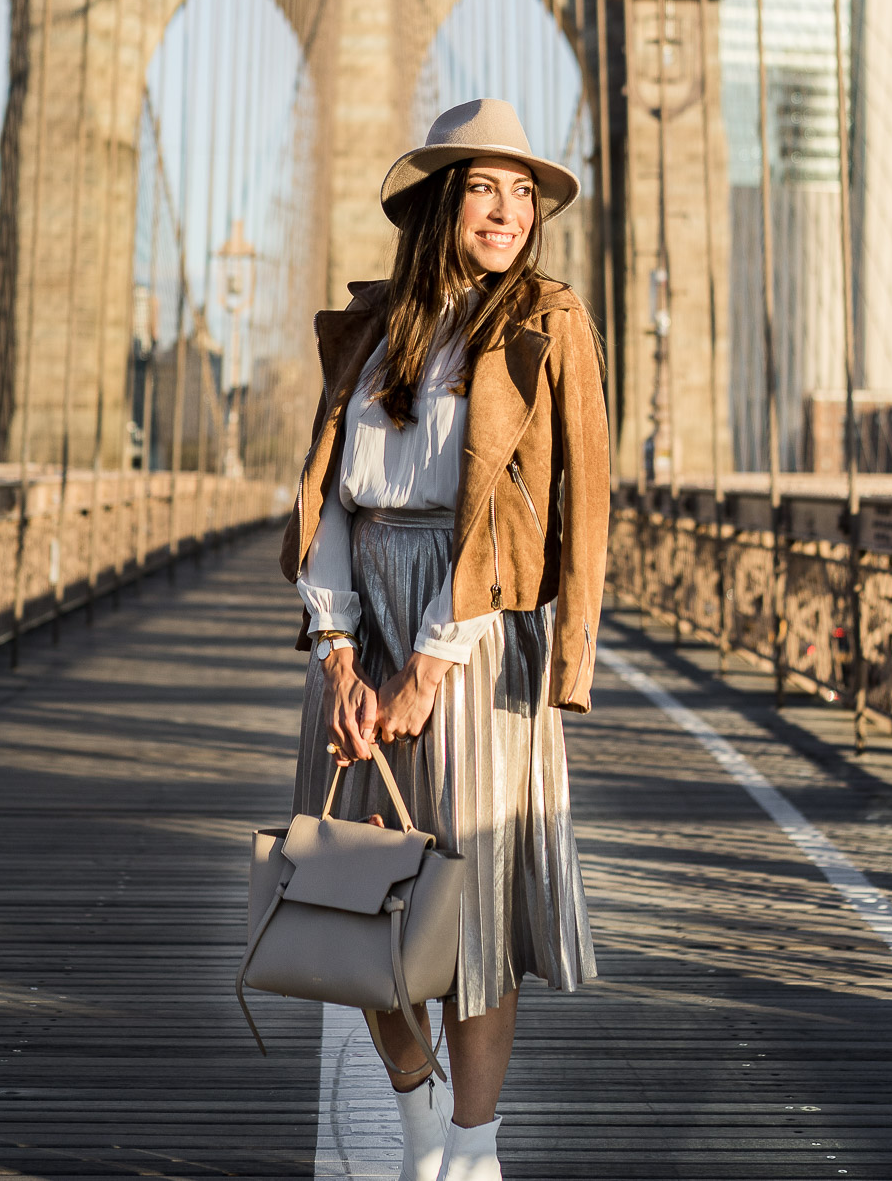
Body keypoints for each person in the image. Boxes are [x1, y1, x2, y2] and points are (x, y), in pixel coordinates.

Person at [280, 99, 610, 1181]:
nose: (508, 210)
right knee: (350, 897)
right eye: (484, 187)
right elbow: (327, 502)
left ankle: (474, 1153)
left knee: (473, 912)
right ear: (437, 205)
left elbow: (549, 509)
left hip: (472, 639)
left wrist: (429, 666)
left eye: (524, 193)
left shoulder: (547, 324)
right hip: (358, 628)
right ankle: (418, 1114)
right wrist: (336, 652)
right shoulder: (369, 332)